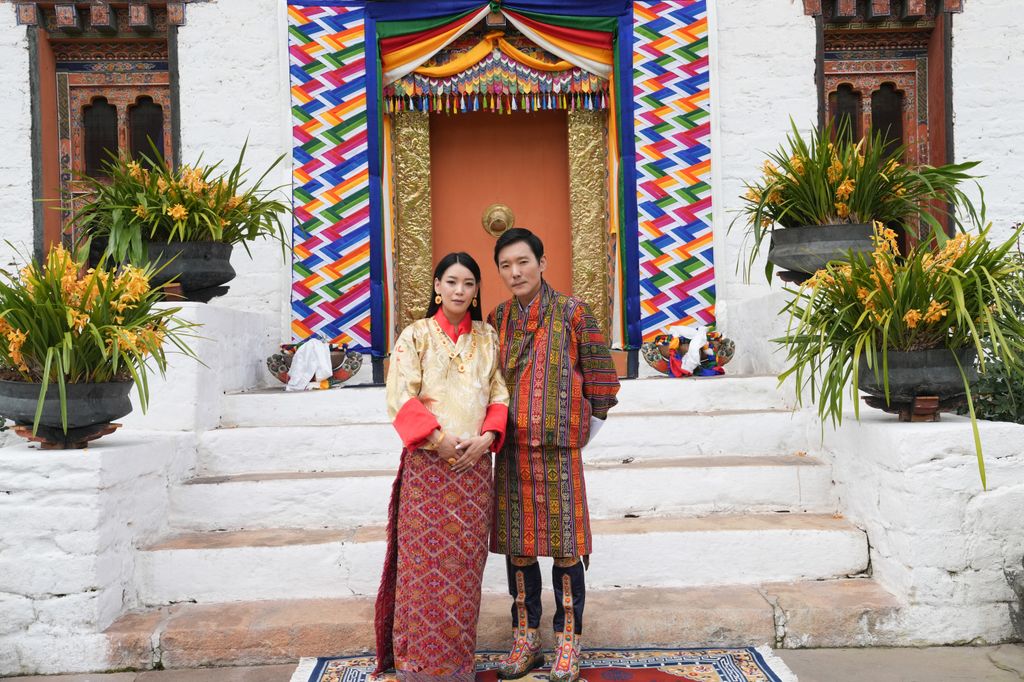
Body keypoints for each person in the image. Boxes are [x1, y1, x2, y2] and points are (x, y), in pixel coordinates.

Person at [488, 228, 621, 682]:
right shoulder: (497, 318)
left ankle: (568, 644)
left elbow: (603, 380)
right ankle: (526, 640)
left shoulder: (574, 314)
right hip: (510, 455)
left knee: (566, 550)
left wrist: (583, 432)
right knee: (519, 550)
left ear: (542, 263)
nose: (515, 272)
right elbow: (489, 384)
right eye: (505, 265)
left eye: (522, 261)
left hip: (560, 455)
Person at [373, 252, 510, 682]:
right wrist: (439, 441)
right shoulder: (414, 337)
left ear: (475, 292)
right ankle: (418, 666)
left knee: (463, 571)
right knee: (423, 571)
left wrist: (487, 438)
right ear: (436, 286)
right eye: (451, 282)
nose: (459, 291)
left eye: (468, 284)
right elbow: (401, 397)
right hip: (427, 470)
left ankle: (456, 667)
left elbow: (499, 393)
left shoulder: (488, 337)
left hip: (473, 471)